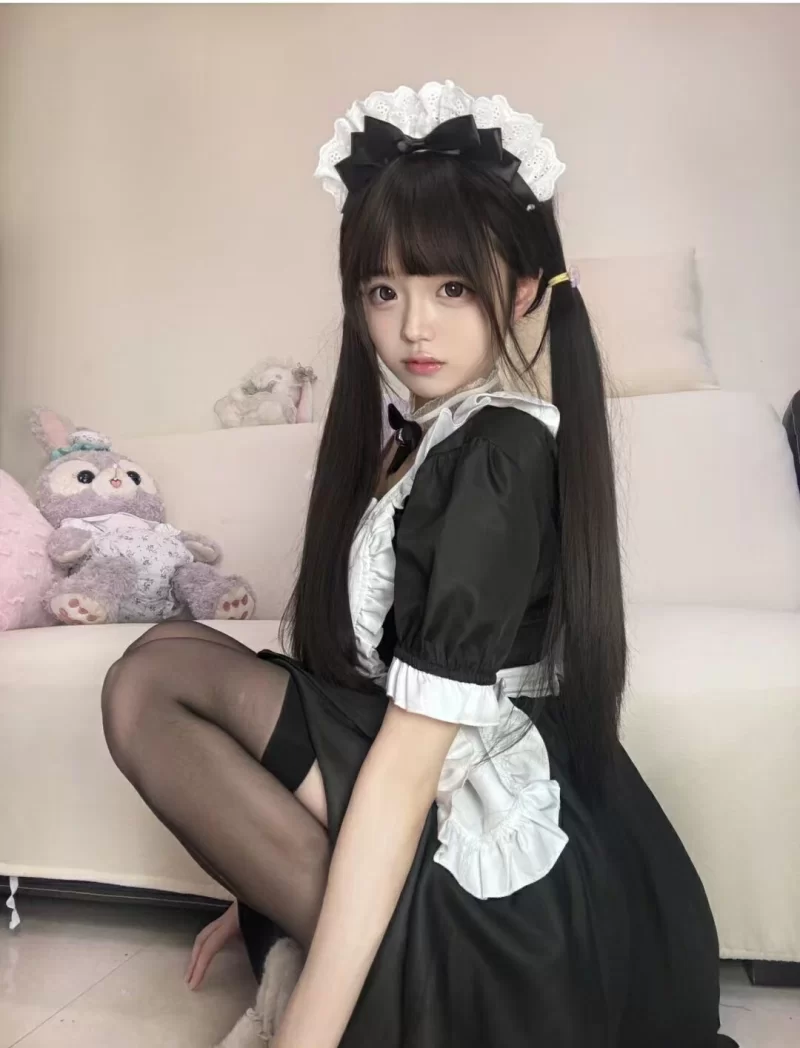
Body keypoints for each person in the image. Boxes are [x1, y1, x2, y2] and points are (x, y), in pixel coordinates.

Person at [101, 81, 737, 1048]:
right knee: (168, 653)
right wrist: (258, 878)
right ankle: (335, 940)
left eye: (451, 288)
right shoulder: (429, 437)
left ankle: (375, 976)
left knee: (151, 682)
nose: (413, 327)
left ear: (521, 290)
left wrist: (305, 1034)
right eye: (382, 291)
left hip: (477, 802)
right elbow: (355, 684)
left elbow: (409, 757)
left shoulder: (498, 451)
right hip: (432, 758)